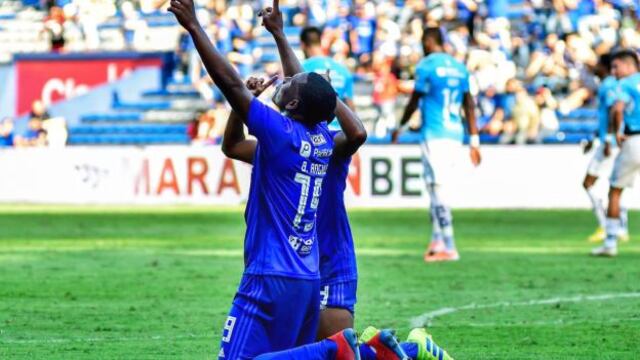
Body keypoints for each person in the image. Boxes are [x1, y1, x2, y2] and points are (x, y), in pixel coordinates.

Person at [392, 27, 481, 263]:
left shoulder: (427, 66)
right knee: (435, 188)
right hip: (456, 134)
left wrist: (400, 127)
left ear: (429, 42)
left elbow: (414, 100)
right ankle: (437, 239)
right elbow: (469, 105)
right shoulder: (460, 68)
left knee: (438, 189)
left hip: (434, 133)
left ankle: (450, 246)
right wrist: (474, 140)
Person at [592, 50, 639, 257]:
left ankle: (610, 242)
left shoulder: (624, 85)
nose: (614, 72)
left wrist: (617, 133)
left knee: (615, 191)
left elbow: (617, 109)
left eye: (616, 67)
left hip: (634, 140)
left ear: (629, 66)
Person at [582, 54, 628, 243]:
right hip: (609, 141)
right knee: (615, 185)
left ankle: (605, 225)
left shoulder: (609, 84)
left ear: (606, 67)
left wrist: (608, 139)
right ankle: (621, 226)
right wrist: (595, 138)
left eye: (598, 63)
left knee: (589, 183)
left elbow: (613, 112)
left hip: (610, 143)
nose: (594, 66)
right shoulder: (612, 84)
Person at [300, 26, 355, 110]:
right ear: (320, 41)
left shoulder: (301, 68)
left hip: (314, 122)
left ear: (302, 45)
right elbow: (351, 107)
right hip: (339, 123)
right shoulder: (343, 70)